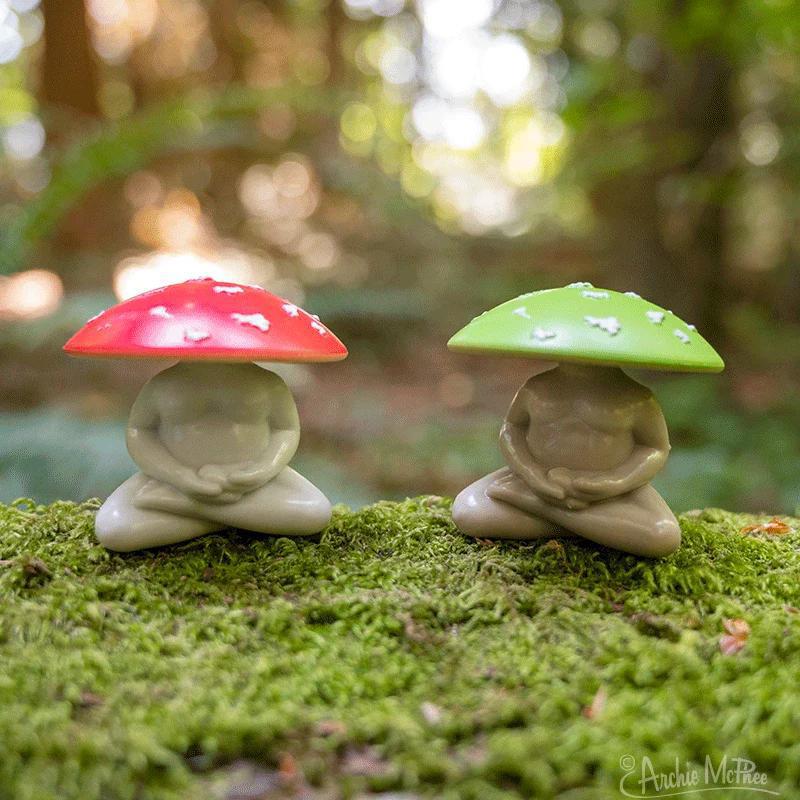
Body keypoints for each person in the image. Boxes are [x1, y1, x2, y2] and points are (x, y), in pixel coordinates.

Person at [95, 361, 331, 551]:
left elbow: (286, 430)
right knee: (113, 530)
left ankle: (189, 507)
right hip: (168, 479)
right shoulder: (163, 383)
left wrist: (261, 471)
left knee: (315, 512)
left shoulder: (269, 382)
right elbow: (140, 432)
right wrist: (180, 476)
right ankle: (246, 516)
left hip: (255, 483)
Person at [452, 363, 681, 557]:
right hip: (532, 480)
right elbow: (512, 428)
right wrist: (530, 472)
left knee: (664, 535)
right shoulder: (536, 387)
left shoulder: (638, 398)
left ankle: (539, 508)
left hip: (615, 494)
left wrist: (615, 482)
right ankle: (599, 527)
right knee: (468, 511)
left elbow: (655, 447)